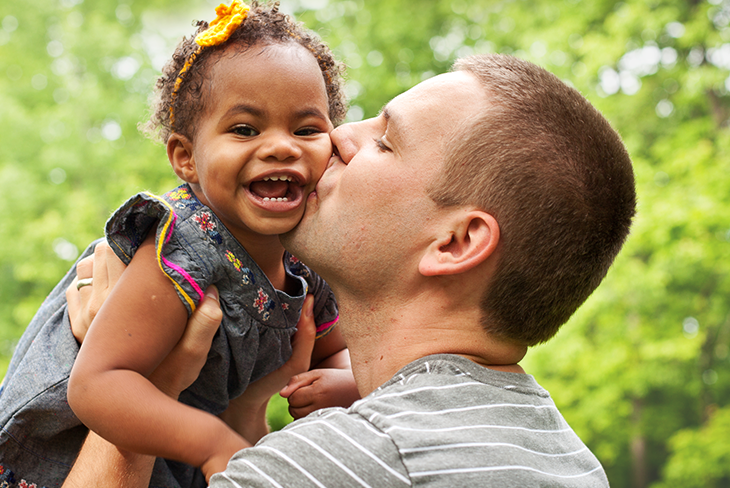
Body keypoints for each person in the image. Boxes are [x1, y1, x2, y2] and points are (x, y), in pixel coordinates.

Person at [64, 53, 637, 487]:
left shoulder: (362, 458)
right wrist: (247, 409)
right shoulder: (560, 457)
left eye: (385, 141)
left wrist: (154, 384)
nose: (337, 136)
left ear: (456, 242)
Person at [0, 0, 360, 488]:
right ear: (186, 158)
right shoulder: (184, 245)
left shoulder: (309, 255)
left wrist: (346, 382)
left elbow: (337, 349)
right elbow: (98, 386)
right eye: (244, 129)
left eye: (306, 128)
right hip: (70, 453)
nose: (281, 145)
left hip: (176, 456)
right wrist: (212, 442)